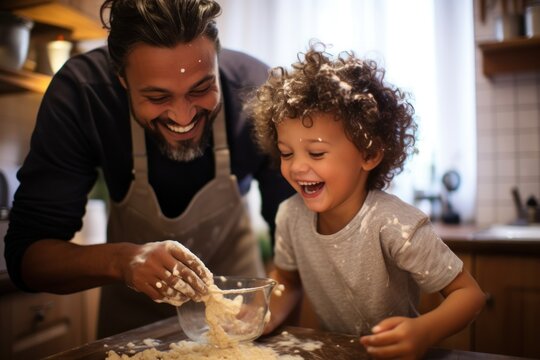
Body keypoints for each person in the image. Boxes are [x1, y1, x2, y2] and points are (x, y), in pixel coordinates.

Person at [4, 0, 294, 338]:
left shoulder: (257, 91)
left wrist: (262, 316)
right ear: (121, 79)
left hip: (239, 322)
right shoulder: (83, 94)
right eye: (157, 97)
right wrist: (123, 261)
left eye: (201, 89)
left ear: (216, 57)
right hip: (130, 328)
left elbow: (296, 247)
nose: (183, 117)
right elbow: (28, 258)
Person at [246, 42, 485, 359]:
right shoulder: (290, 216)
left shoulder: (395, 224)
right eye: (286, 153)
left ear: (369, 153)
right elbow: (287, 281)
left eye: (316, 153)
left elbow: (469, 295)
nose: (297, 166)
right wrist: (264, 315)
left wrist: (424, 332)